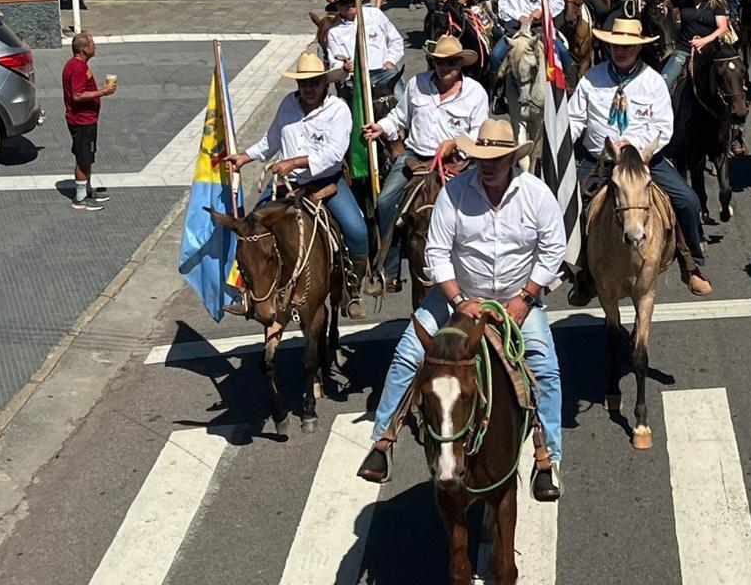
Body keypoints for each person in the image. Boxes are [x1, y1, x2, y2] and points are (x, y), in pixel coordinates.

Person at [356, 118, 566, 502]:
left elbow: (554, 249)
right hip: (459, 295)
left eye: (495, 159)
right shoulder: (454, 193)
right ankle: (383, 440)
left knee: (544, 366)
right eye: (481, 158)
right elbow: (436, 252)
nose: (487, 165)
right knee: (408, 353)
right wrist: (457, 300)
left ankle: (546, 457)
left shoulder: (537, 194)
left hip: (516, 298)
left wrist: (526, 298)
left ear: (511, 159)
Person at [567, 19, 711, 302]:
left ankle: (690, 263)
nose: (621, 51)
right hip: (601, 161)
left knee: (688, 201)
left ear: (638, 49)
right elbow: (574, 119)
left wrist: (635, 148)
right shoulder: (591, 79)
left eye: (628, 47)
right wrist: (559, 144)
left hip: (645, 161)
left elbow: (663, 126)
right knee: (573, 206)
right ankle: (586, 272)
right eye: (616, 46)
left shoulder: (653, 82)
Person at [222, 53, 372, 319]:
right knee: (249, 230)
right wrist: (245, 157)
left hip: (326, 182)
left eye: (314, 83)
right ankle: (245, 293)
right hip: (288, 185)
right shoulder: (287, 105)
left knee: (357, 230)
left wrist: (294, 162)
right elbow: (271, 140)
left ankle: (353, 289)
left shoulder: (338, 110)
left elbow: (334, 153)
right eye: (304, 83)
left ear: (325, 83)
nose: (309, 88)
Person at [364, 35, 487, 291]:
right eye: (440, 62)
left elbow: (479, 132)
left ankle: (480, 264)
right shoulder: (416, 84)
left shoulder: (475, 93)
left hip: (456, 162)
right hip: (415, 157)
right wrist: (381, 127)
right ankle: (389, 271)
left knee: (480, 208)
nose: (445, 67)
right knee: (385, 202)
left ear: (460, 63)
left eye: (451, 62)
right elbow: (400, 116)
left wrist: (455, 143)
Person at [62, 33, 116, 211]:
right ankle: (80, 198)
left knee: (87, 157)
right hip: (82, 121)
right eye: (92, 44)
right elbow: (77, 96)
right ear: (84, 49)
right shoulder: (77, 68)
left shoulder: (77, 65)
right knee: (83, 158)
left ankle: (87, 190)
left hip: (87, 119)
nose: (95, 47)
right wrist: (102, 92)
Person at [661, 0, 730, 90]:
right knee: (663, 84)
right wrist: (671, 30)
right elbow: (667, 5)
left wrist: (704, 41)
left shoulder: (716, 2)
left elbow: (723, 28)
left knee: (730, 80)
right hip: (684, 49)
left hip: (710, 50)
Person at [324, 0, 405, 89]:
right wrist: (344, 67)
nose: (349, 5)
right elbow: (335, 60)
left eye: (352, 0)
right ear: (337, 7)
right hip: (355, 78)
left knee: (399, 98)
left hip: (383, 72)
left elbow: (396, 40)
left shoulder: (374, 14)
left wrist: (390, 61)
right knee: (344, 98)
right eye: (344, 3)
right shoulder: (334, 32)